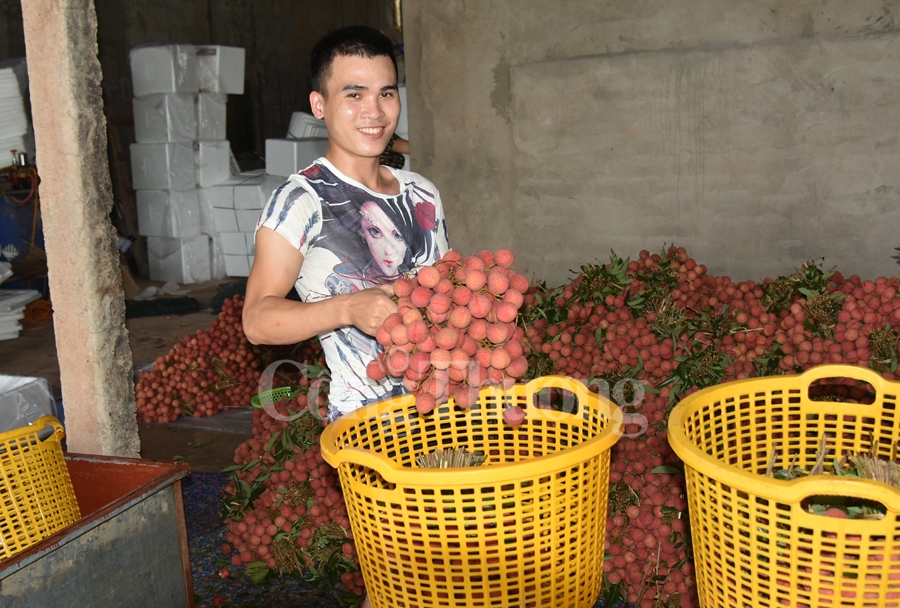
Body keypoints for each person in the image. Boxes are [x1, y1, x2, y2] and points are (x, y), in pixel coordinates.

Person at [243, 25, 450, 421]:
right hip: (367, 427)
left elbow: (447, 290)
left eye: (386, 93)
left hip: (445, 410)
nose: (374, 112)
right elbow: (256, 321)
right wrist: (347, 308)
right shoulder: (300, 200)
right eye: (354, 94)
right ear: (319, 105)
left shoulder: (421, 192)